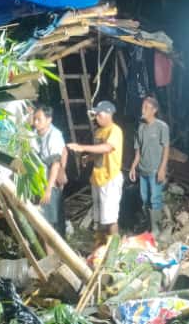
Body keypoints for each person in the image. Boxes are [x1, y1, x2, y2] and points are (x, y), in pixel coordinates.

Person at [67, 100, 124, 246]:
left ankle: (114, 252)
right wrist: (89, 157)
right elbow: (100, 152)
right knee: (99, 219)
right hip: (97, 178)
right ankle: (99, 248)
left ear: (109, 114)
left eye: (99, 113)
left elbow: (107, 148)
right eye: (96, 114)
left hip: (110, 179)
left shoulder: (115, 130)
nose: (96, 116)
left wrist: (82, 147)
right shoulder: (99, 131)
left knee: (110, 219)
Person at [128, 96, 170, 239]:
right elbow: (138, 151)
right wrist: (133, 167)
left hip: (155, 170)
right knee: (145, 199)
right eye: (142, 107)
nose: (143, 109)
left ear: (155, 110)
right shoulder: (140, 128)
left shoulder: (161, 127)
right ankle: (150, 226)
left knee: (154, 198)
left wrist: (162, 168)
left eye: (146, 107)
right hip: (143, 170)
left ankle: (156, 229)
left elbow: (166, 148)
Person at [32, 105, 68, 243]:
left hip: (49, 180)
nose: (35, 122)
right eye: (34, 119)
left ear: (49, 120)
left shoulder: (54, 135)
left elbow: (55, 164)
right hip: (40, 178)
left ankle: (53, 256)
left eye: (39, 119)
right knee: (44, 219)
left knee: (49, 223)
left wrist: (49, 189)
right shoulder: (36, 133)